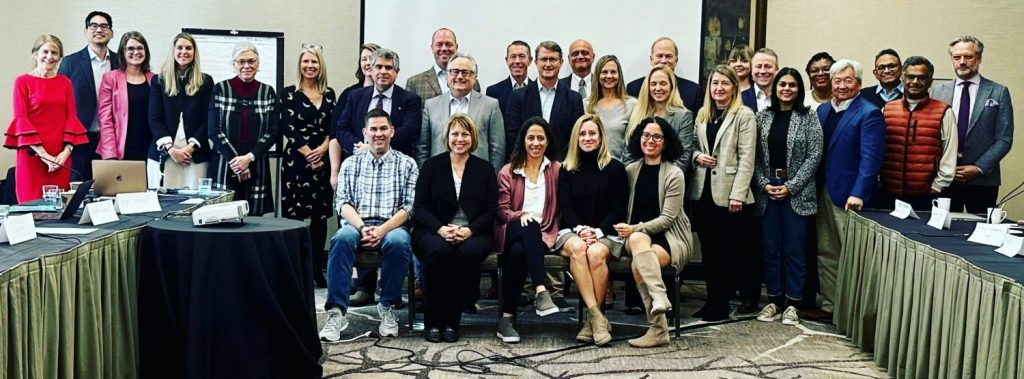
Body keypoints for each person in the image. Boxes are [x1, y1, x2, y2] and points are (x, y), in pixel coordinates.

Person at [319, 108, 417, 341]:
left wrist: (382, 230)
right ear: (364, 132)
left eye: (384, 128)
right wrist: (363, 228)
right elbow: (342, 203)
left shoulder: (408, 164)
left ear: (392, 131)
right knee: (341, 238)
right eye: (373, 129)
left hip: (391, 226)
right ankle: (336, 313)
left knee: (399, 241)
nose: (378, 133)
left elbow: (410, 207)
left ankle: (388, 307)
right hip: (356, 224)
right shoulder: (351, 164)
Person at [412, 113, 497, 343]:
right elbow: (419, 208)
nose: (460, 139)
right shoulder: (431, 166)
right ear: (447, 137)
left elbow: (491, 210)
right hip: (433, 230)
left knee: (467, 253)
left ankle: (452, 321)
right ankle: (433, 322)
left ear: (473, 137)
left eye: (465, 134)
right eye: (455, 134)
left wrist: (469, 230)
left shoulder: (484, 169)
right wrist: (440, 229)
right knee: (439, 252)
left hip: (474, 232)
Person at [752, 68, 823, 327]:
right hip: (767, 190)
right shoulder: (762, 117)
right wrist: (763, 183)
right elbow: (753, 156)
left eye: (792, 85)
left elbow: (814, 156)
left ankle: (793, 303)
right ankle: (774, 299)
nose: (786, 89)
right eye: (782, 84)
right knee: (771, 248)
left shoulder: (808, 117)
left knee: (794, 249)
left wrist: (791, 186)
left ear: (798, 89)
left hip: (797, 192)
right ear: (775, 87)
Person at [615, 116, 693, 348]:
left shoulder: (674, 173)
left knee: (638, 263)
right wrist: (634, 230)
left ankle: (658, 329)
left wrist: (635, 228)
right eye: (646, 135)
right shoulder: (630, 170)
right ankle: (660, 296)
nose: (650, 140)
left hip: (669, 237)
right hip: (635, 237)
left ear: (666, 142)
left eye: (657, 137)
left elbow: (668, 219)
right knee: (639, 240)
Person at [814, 59, 884, 315]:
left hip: (849, 196)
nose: (842, 86)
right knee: (826, 251)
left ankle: (852, 311)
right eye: (837, 80)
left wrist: (859, 192)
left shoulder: (869, 112)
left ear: (859, 83)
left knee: (852, 255)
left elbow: (871, 159)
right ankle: (831, 306)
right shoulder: (822, 111)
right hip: (821, 191)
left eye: (848, 80)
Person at [689, 65, 757, 322]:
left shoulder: (744, 115)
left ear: (734, 87)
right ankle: (712, 301)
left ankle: (722, 303)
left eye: (724, 84)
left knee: (728, 251)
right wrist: (697, 157)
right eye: (715, 83)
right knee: (709, 251)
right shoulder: (703, 114)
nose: (719, 88)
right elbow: (693, 146)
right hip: (703, 191)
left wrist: (738, 194)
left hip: (730, 195)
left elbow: (747, 158)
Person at [558, 114, 627, 346]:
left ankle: (592, 321)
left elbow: (618, 208)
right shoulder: (567, 169)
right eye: (583, 134)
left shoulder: (615, 168)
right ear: (576, 138)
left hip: (606, 232)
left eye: (592, 133)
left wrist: (597, 231)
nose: (587, 138)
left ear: (600, 137)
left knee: (595, 253)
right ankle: (598, 317)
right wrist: (580, 229)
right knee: (579, 249)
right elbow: (565, 206)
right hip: (572, 231)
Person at [494, 117, 564, 343]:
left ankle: (506, 320)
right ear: (523, 141)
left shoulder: (555, 170)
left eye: (540, 138)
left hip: (544, 234)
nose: (535, 142)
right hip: (511, 229)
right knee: (529, 225)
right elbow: (501, 210)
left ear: (547, 142)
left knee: (518, 253)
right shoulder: (508, 171)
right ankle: (541, 290)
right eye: (531, 138)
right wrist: (520, 215)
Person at [932, 35, 1014, 213]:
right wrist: (944, 167)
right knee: (941, 233)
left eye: (968, 57)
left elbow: (1004, 139)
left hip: (983, 180)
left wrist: (978, 168)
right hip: (945, 177)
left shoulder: (998, 92)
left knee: (983, 234)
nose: (962, 62)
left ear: (979, 59)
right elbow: (931, 134)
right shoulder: (937, 91)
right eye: (956, 57)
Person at [5, 35, 89, 202]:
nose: (49, 56)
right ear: (35, 54)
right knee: (31, 206)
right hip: (33, 156)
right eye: (45, 51)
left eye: (54, 52)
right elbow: (21, 119)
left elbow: (71, 119)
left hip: (60, 157)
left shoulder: (65, 83)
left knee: (59, 208)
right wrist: (44, 155)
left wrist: (65, 152)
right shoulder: (22, 82)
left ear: (59, 58)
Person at [280, 45, 336, 287]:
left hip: (324, 161)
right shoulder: (289, 93)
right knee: (295, 218)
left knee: (319, 219)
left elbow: (334, 127)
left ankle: (316, 271)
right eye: (306, 62)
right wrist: (309, 154)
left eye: (314, 62)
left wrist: (322, 151)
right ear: (300, 66)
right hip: (296, 162)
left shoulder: (330, 93)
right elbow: (287, 127)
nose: (310, 66)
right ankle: (295, 271)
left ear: (320, 65)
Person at [207, 42, 279, 215]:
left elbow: (273, 131)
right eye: (241, 61)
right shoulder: (221, 89)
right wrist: (237, 162)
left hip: (257, 164)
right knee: (222, 217)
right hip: (225, 164)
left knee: (253, 221)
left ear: (258, 64)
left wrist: (249, 158)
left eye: (251, 61)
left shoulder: (268, 92)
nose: (246, 66)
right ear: (234, 65)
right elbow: (213, 130)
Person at [878, 56, 957, 210]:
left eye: (921, 77)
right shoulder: (887, 109)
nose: (915, 81)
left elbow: (949, 152)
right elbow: (878, 149)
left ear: (930, 80)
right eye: (910, 76)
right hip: (889, 193)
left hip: (927, 195)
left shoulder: (944, 112)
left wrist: (937, 187)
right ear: (902, 77)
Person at [331, 47, 422, 162]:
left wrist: (373, 147)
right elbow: (342, 129)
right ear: (372, 70)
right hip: (359, 162)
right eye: (378, 67)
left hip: (395, 165)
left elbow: (410, 132)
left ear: (397, 72)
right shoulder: (355, 96)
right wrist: (359, 147)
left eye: (388, 68)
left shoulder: (410, 99)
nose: (383, 71)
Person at [418, 53, 505, 171]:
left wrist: (491, 177)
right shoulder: (431, 105)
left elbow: (497, 148)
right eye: (454, 71)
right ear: (447, 75)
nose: (459, 76)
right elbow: (423, 147)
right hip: (439, 176)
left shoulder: (490, 105)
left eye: (465, 72)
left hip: (478, 177)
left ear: (474, 77)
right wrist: (426, 175)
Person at [59, 11, 119, 181]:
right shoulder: (71, 63)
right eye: (94, 26)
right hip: (80, 140)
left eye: (104, 26)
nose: (99, 29)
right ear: (86, 31)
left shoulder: (120, 62)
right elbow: (60, 103)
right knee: (79, 190)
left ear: (111, 32)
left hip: (111, 140)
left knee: (109, 189)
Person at [148, 33, 212, 190]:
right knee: (162, 204)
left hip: (195, 155)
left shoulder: (205, 81)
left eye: (188, 48)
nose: (184, 52)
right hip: (165, 153)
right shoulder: (159, 80)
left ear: (194, 52)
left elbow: (208, 120)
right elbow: (154, 119)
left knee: (194, 203)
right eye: (180, 48)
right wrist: (171, 150)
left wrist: (189, 148)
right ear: (173, 51)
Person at [504, 41, 584, 160]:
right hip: (527, 166)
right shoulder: (517, 97)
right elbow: (512, 135)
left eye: (552, 59)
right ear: (536, 62)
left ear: (561, 62)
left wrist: (558, 164)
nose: (548, 64)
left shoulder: (574, 99)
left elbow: (575, 136)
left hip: (562, 167)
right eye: (543, 59)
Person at [97, 32, 154, 167]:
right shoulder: (110, 78)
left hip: (150, 149)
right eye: (130, 48)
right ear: (122, 52)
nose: (136, 52)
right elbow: (105, 120)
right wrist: (110, 154)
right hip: (121, 148)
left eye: (140, 48)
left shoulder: (155, 79)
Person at [624, 65, 695, 173]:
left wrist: (662, 179)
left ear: (671, 86)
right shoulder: (638, 113)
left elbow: (682, 158)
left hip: (668, 182)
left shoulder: (684, 116)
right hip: (637, 178)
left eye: (663, 83)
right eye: (653, 84)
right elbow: (628, 154)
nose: (658, 88)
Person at [328, 43, 379, 191]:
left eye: (372, 58)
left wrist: (370, 148)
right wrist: (335, 172)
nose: (368, 63)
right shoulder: (349, 94)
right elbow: (336, 135)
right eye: (364, 59)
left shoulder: (393, 95)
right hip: (352, 167)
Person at [626, 37, 702, 111]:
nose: (663, 61)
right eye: (659, 56)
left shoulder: (693, 92)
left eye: (668, 56)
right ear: (651, 59)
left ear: (676, 61)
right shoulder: (633, 89)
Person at [405, 28, 479, 101]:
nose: (444, 48)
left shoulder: (471, 81)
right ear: (432, 48)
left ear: (456, 47)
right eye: (439, 44)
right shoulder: (415, 82)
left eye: (448, 44)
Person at [587, 55, 636, 161]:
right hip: (592, 166)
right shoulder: (586, 105)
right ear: (597, 75)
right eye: (604, 72)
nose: (609, 76)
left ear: (619, 75)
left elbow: (634, 142)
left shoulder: (632, 105)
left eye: (613, 72)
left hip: (621, 168)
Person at [486, 40, 532, 115]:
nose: (517, 61)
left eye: (522, 56)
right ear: (507, 60)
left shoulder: (538, 90)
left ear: (529, 60)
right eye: (513, 57)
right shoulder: (493, 92)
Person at [728, 45, 757, 112]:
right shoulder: (723, 90)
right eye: (734, 61)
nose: (738, 64)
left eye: (744, 61)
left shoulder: (757, 91)